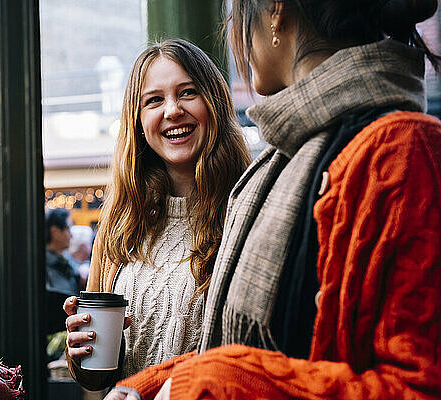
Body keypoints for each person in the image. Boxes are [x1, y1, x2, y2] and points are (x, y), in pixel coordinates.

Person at [107, 0, 441, 399]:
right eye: (153, 100)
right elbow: (245, 352)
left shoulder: (402, 152)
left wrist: (215, 381)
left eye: (236, 15)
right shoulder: (284, 160)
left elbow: (419, 386)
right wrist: (152, 383)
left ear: (275, 11)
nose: (236, 39)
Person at [63, 39, 252, 391]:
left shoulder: (246, 212)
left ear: (214, 102)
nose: (172, 110)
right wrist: (80, 351)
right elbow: (95, 378)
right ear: (139, 121)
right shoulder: (119, 223)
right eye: (154, 100)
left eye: (188, 93)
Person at [45, 208, 79, 296]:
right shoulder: (47, 266)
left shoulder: (65, 260)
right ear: (55, 232)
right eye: (68, 228)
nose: (71, 235)